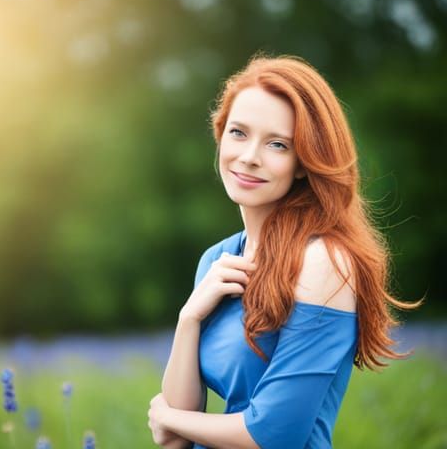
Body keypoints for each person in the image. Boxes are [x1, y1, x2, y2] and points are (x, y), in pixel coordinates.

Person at [147, 53, 423, 449]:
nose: (249, 157)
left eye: (277, 144)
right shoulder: (217, 261)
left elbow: (274, 436)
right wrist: (188, 318)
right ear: (220, 134)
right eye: (238, 133)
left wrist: (168, 417)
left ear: (302, 163)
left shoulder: (324, 262)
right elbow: (174, 441)